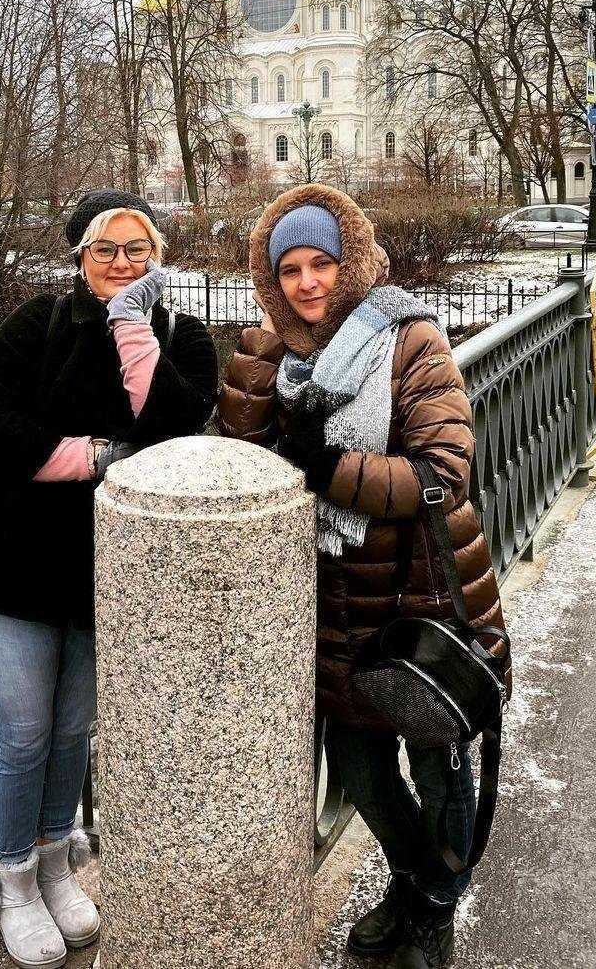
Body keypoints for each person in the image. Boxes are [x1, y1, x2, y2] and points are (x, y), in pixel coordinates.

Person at [217, 183, 512, 969]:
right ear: (271, 280)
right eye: (290, 272)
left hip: (421, 598)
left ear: (350, 262)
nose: (308, 283)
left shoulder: (408, 339)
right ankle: (415, 883)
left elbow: (443, 473)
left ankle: (430, 914)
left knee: (438, 768)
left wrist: (330, 468)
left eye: (323, 264)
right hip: (334, 603)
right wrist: (255, 368)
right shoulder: (281, 357)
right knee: (359, 771)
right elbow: (237, 460)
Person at [0, 189, 219, 969]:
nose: (122, 263)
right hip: (13, 566)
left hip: (103, 576)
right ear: (79, 257)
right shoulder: (36, 326)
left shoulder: (181, 334)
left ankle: (53, 864)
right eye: (107, 249)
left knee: (71, 732)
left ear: (158, 260)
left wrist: (133, 325)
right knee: (23, 732)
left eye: (138, 250)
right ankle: (12, 881)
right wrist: (97, 458)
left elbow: (176, 430)